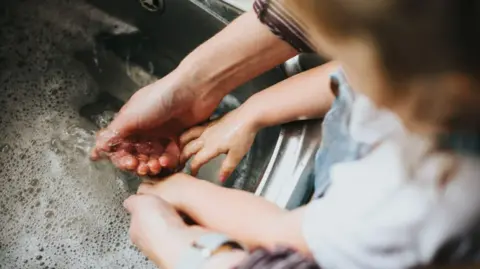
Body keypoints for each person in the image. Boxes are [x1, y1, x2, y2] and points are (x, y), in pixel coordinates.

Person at [123, 0, 480, 269]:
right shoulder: (438, 67)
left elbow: (285, 236)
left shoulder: (422, 195)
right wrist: (251, 110)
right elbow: (347, 77)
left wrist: (178, 238)